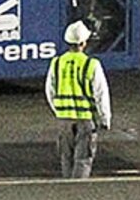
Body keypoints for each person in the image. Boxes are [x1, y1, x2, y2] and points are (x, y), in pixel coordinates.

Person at [46, 20, 112, 178]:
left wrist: (59, 111)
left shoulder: (57, 63)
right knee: (82, 160)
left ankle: (66, 193)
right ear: (83, 43)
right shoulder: (91, 64)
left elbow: (50, 91)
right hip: (85, 120)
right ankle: (77, 195)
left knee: (66, 159)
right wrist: (105, 119)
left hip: (64, 120)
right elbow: (101, 94)